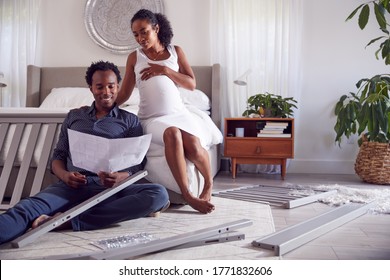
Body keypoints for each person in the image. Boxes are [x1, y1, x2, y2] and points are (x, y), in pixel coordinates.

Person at [0, 61, 169, 245]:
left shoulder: (130, 120)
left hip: (111, 189)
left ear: (117, 87)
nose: (106, 92)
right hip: (71, 187)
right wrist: (65, 176)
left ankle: (70, 220)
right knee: (26, 208)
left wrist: (120, 176)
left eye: (111, 86)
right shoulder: (74, 116)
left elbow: (138, 164)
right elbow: (58, 155)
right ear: (91, 88)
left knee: (158, 194)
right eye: (99, 87)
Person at [116, 9, 217, 214]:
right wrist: (102, 106)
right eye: (135, 34)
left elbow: (191, 84)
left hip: (179, 113)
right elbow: (125, 93)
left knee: (195, 147)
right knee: (172, 133)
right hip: (151, 118)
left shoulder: (175, 51)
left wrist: (165, 70)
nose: (140, 38)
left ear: (156, 28)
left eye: (144, 32)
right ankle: (187, 194)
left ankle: (208, 185)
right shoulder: (134, 58)